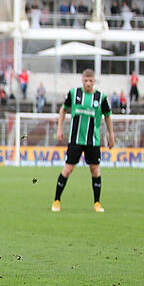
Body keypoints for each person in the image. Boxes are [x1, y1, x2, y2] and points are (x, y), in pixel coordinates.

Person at [52, 69, 114, 213]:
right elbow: (63, 110)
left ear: (94, 81)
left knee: (95, 170)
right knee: (68, 169)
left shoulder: (101, 97)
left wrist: (111, 135)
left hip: (93, 141)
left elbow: (108, 116)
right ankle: (56, 200)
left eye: (90, 81)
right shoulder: (74, 94)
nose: (88, 83)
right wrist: (59, 129)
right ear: (82, 80)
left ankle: (97, 203)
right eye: (85, 80)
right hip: (75, 140)